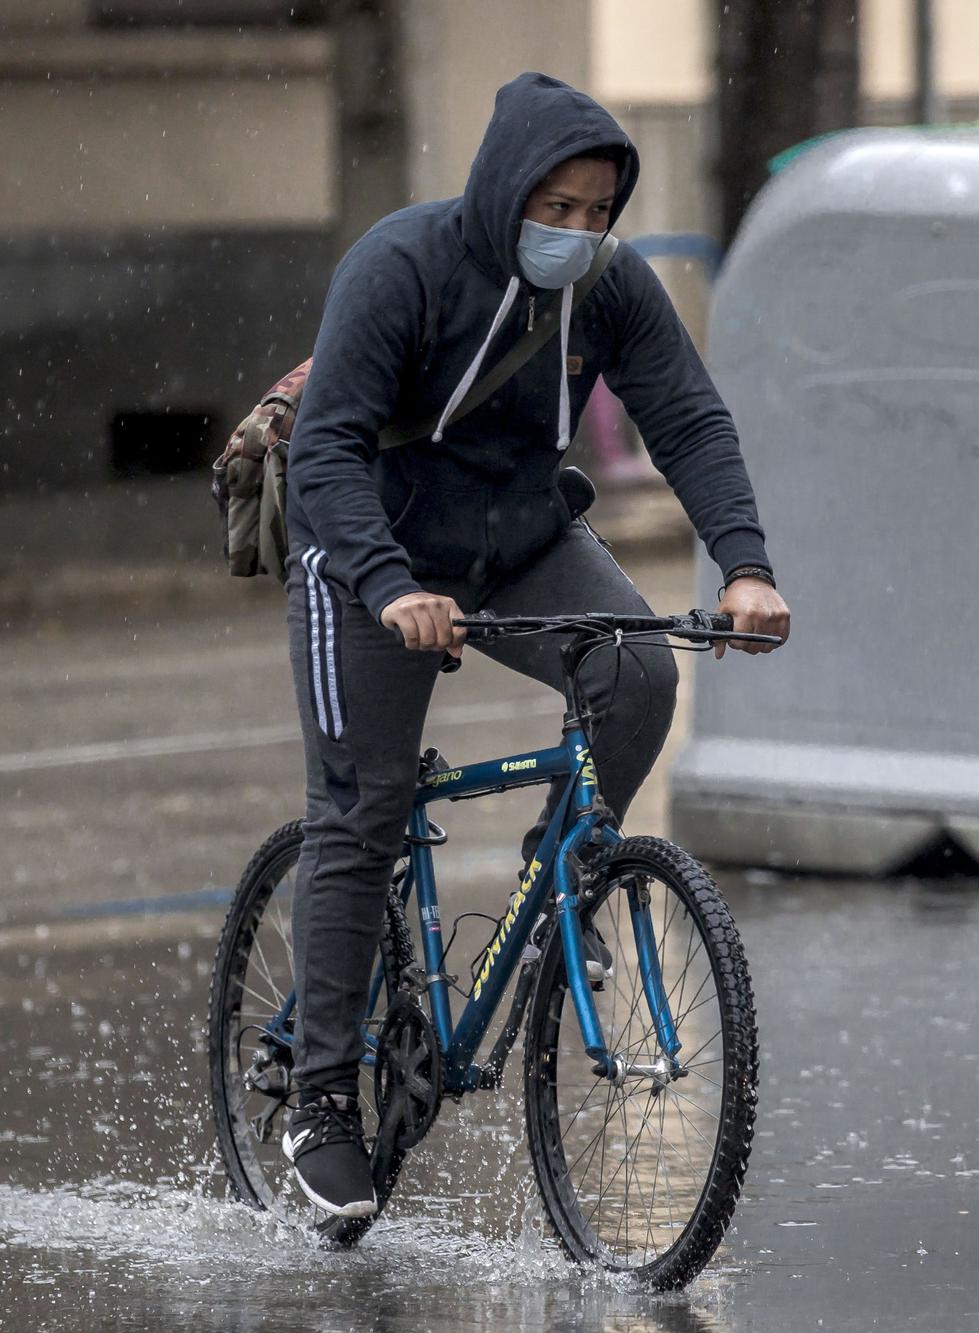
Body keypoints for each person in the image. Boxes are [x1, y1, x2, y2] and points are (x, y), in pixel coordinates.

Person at [278, 71, 790, 1218]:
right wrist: (388, 583)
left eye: (596, 211)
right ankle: (318, 1096)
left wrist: (745, 566)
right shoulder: (400, 268)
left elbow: (688, 415)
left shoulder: (607, 288)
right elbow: (324, 452)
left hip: (514, 538)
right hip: (369, 552)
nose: (576, 232)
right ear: (504, 188)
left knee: (638, 670)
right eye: (553, 207)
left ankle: (559, 872)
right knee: (359, 811)